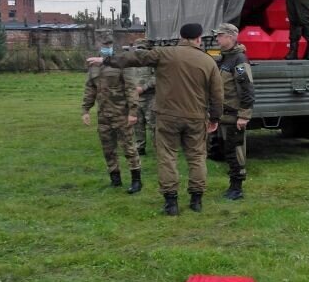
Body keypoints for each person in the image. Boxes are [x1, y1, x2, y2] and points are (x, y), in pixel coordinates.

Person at [88, 23, 223, 216]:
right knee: (196, 157)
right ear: (199, 38)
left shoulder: (164, 53)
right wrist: (215, 117)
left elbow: (135, 57)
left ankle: (171, 202)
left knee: (167, 157)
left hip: (167, 116)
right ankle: (196, 199)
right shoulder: (208, 61)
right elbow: (217, 94)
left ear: (181, 37)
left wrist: (106, 60)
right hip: (196, 117)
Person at [81, 31, 142, 194]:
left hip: (121, 113)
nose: (105, 47)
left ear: (113, 45)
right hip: (104, 115)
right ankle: (115, 179)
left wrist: (133, 112)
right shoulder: (94, 64)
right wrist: (86, 109)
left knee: (129, 147)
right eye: (103, 45)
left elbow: (131, 88)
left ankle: (136, 180)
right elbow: (90, 88)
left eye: (108, 45)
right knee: (108, 148)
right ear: (98, 45)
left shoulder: (121, 62)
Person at [213, 23, 255, 200]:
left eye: (220, 35)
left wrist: (244, 115)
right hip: (224, 114)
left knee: (236, 150)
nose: (217, 39)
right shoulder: (224, 58)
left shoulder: (239, 59)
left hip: (234, 115)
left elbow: (247, 88)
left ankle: (237, 188)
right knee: (228, 150)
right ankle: (233, 184)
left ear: (230, 37)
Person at [128, 39, 156, 155]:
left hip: (150, 98)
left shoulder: (153, 62)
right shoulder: (132, 62)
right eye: (138, 48)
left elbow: (157, 78)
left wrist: (143, 88)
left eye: (142, 48)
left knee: (154, 124)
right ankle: (140, 147)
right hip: (136, 98)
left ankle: (159, 147)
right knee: (137, 124)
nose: (140, 51)